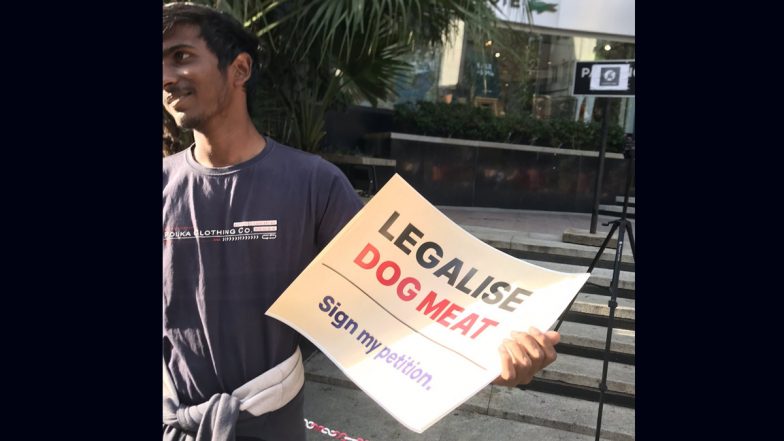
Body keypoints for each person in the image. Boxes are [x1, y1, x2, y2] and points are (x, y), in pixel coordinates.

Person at [162, 3, 561, 440]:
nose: (165, 76)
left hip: (271, 427)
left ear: (239, 69)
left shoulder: (313, 183)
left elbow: (394, 300)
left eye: (181, 56)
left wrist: (486, 359)